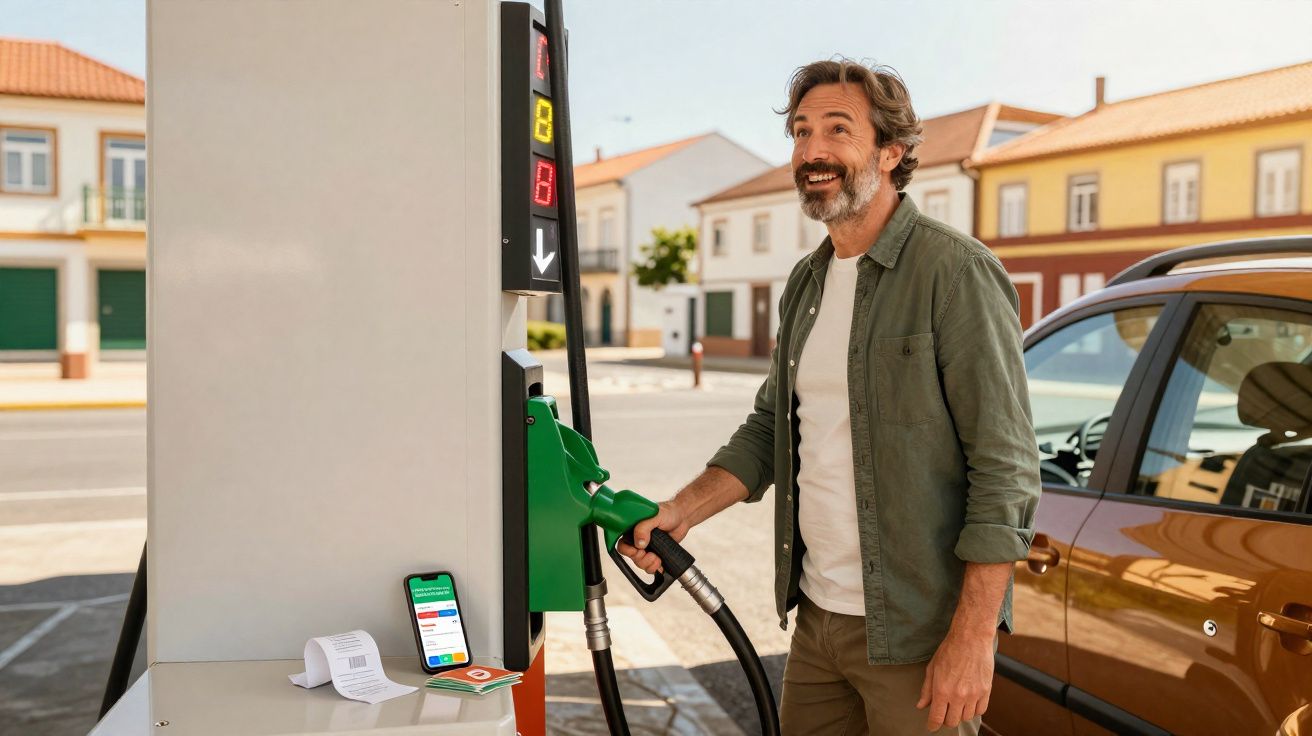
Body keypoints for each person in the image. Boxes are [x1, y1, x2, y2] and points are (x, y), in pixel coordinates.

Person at [617, 59, 1041, 735]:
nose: (811, 151)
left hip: (917, 635)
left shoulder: (954, 272)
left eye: (837, 130)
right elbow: (771, 431)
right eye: (801, 131)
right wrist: (681, 511)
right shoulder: (807, 284)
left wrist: (974, 637)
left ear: (890, 151)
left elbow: (1007, 468)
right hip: (817, 626)